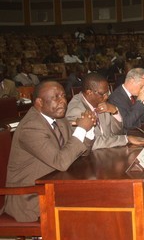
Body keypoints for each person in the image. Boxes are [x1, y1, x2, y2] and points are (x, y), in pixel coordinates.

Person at [3, 81, 96, 222]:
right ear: (39, 102)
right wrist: (81, 129)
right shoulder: (31, 127)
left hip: (54, 185)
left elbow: (81, 153)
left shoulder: (59, 119)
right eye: (55, 97)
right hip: (31, 197)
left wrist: (88, 131)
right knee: (90, 205)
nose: (63, 101)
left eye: (63, 96)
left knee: (96, 197)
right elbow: (62, 162)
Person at [66, 73, 144, 150]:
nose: (106, 97)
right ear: (89, 92)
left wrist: (115, 111)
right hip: (88, 159)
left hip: (106, 151)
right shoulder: (76, 110)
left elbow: (116, 132)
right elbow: (92, 142)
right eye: (103, 94)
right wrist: (126, 139)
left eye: (108, 92)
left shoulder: (100, 102)